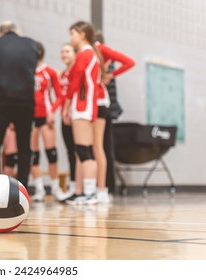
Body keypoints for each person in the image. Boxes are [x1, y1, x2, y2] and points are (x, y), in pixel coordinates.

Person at [0, 21, 37, 188]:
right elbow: (31, 69)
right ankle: (23, 188)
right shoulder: (30, 44)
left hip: (0, 99)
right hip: (25, 101)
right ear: (18, 32)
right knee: (24, 146)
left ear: (1, 33)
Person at [62, 21, 104, 205]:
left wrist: (67, 104)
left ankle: (89, 192)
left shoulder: (85, 54)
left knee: (84, 150)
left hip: (82, 106)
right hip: (87, 105)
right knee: (82, 150)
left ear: (82, 34)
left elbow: (75, 81)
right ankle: (82, 192)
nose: (70, 37)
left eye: (73, 33)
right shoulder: (91, 54)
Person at [95, 30, 136, 200]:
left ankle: (107, 187)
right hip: (103, 105)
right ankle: (101, 187)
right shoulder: (99, 57)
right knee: (101, 147)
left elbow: (129, 62)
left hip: (106, 106)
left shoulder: (101, 51)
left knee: (104, 147)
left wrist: (111, 75)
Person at [30, 42, 68, 202]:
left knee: (51, 153)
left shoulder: (49, 71)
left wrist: (52, 111)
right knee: (33, 154)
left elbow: (60, 95)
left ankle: (55, 188)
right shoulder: (26, 70)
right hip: (29, 116)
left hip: (46, 116)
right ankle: (39, 189)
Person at [55, 43, 77, 197]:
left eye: (67, 51)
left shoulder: (76, 71)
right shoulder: (62, 74)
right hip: (64, 116)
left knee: (80, 151)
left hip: (76, 115)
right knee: (70, 151)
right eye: (62, 52)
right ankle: (73, 185)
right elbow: (61, 96)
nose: (64, 54)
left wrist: (69, 111)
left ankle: (81, 185)